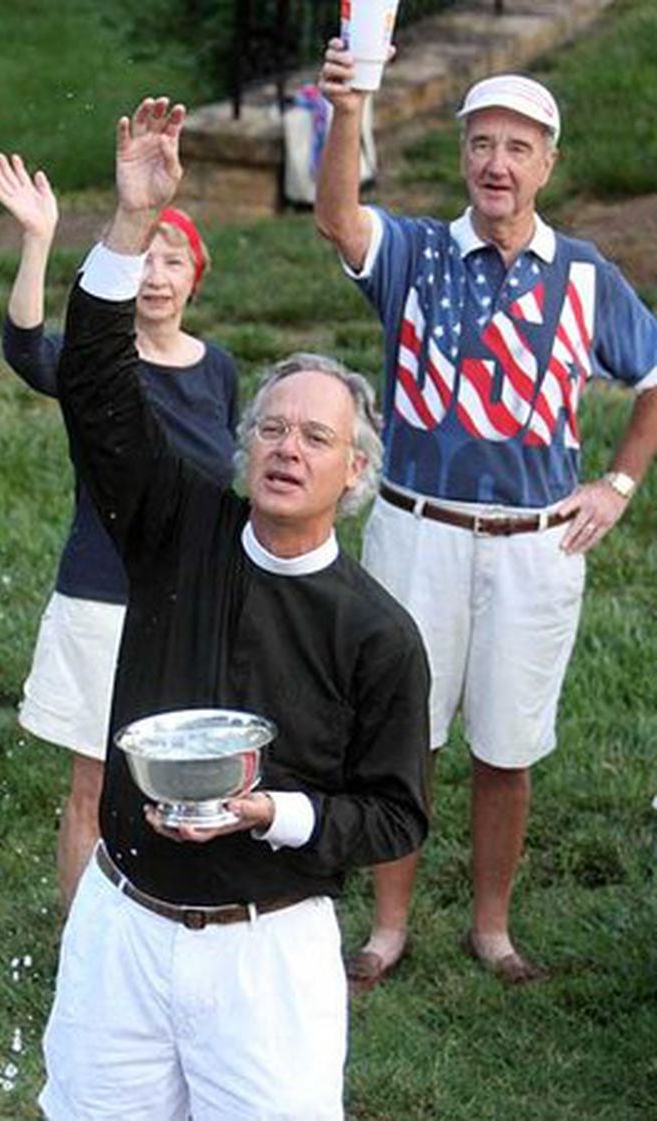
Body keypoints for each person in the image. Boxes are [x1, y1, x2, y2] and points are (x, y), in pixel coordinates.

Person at [39, 95, 431, 1121]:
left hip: (268, 946)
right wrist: (130, 223)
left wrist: (275, 812)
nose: (286, 447)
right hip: (122, 924)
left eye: (314, 437)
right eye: (270, 428)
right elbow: (91, 384)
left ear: (353, 472)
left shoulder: (376, 630)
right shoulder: (176, 527)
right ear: (244, 444)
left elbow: (393, 809)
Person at [315, 52, 657, 989]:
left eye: (517, 147)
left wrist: (617, 486)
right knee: (404, 735)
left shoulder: (585, 278)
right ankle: (387, 927)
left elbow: (655, 380)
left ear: (547, 163)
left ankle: (492, 929)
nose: (497, 163)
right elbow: (338, 218)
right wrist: (349, 109)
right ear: (462, 158)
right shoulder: (417, 253)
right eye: (480, 145)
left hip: (534, 544)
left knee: (506, 744)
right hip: (416, 528)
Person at [0, 152, 239, 910]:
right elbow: (26, 348)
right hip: (101, 599)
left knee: (177, 774)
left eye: (175, 259)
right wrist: (39, 239)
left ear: (197, 275)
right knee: (96, 779)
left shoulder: (219, 369)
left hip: (186, 601)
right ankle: (81, 944)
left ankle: (161, 913)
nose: (158, 274)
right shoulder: (99, 366)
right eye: (146, 258)